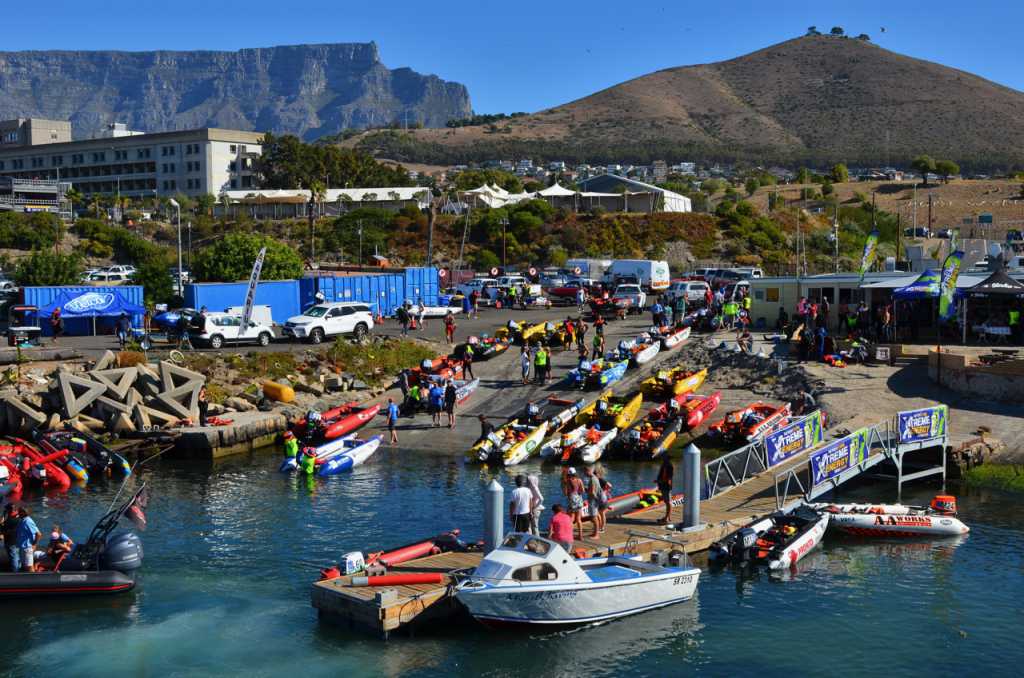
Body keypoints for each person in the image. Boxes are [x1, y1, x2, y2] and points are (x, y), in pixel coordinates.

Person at [15, 506, 40, 572]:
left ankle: (33, 578)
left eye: (19, 512)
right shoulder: (22, 521)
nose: (18, 513)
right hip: (22, 547)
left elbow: (38, 534)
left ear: (23, 512)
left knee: (29, 566)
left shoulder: (28, 521)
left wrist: (34, 544)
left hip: (27, 547)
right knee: (25, 565)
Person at [564, 467, 586, 540]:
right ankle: (580, 536)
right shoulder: (579, 480)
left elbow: (565, 493)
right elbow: (583, 490)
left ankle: (569, 535)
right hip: (579, 500)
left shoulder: (567, 481)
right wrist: (578, 493)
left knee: (571, 519)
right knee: (579, 519)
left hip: (571, 501)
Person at [584, 466, 605, 537]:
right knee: (595, 516)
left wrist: (586, 490)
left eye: (585, 472)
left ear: (588, 471)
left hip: (593, 501)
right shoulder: (595, 478)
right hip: (595, 500)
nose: (584, 474)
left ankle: (596, 534)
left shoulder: (592, 479)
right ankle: (596, 532)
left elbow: (592, 492)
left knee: (594, 517)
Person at [1, 504, 22, 572]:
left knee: (14, 557)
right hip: (17, 540)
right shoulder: (19, 518)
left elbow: (2, 527)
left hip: (10, 541)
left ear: (8, 510)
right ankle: (18, 570)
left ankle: (15, 572)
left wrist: (3, 517)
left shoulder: (9, 520)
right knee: (17, 557)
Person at [656, 457, 674, 525]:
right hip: (663, 486)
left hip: (666, 487)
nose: (662, 459)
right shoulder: (664, 465)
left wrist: (659, 481)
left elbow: (668, 479)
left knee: (668, 502)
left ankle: (667, 519)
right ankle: (667, 517)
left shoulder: (669, 466)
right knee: (666, 502)